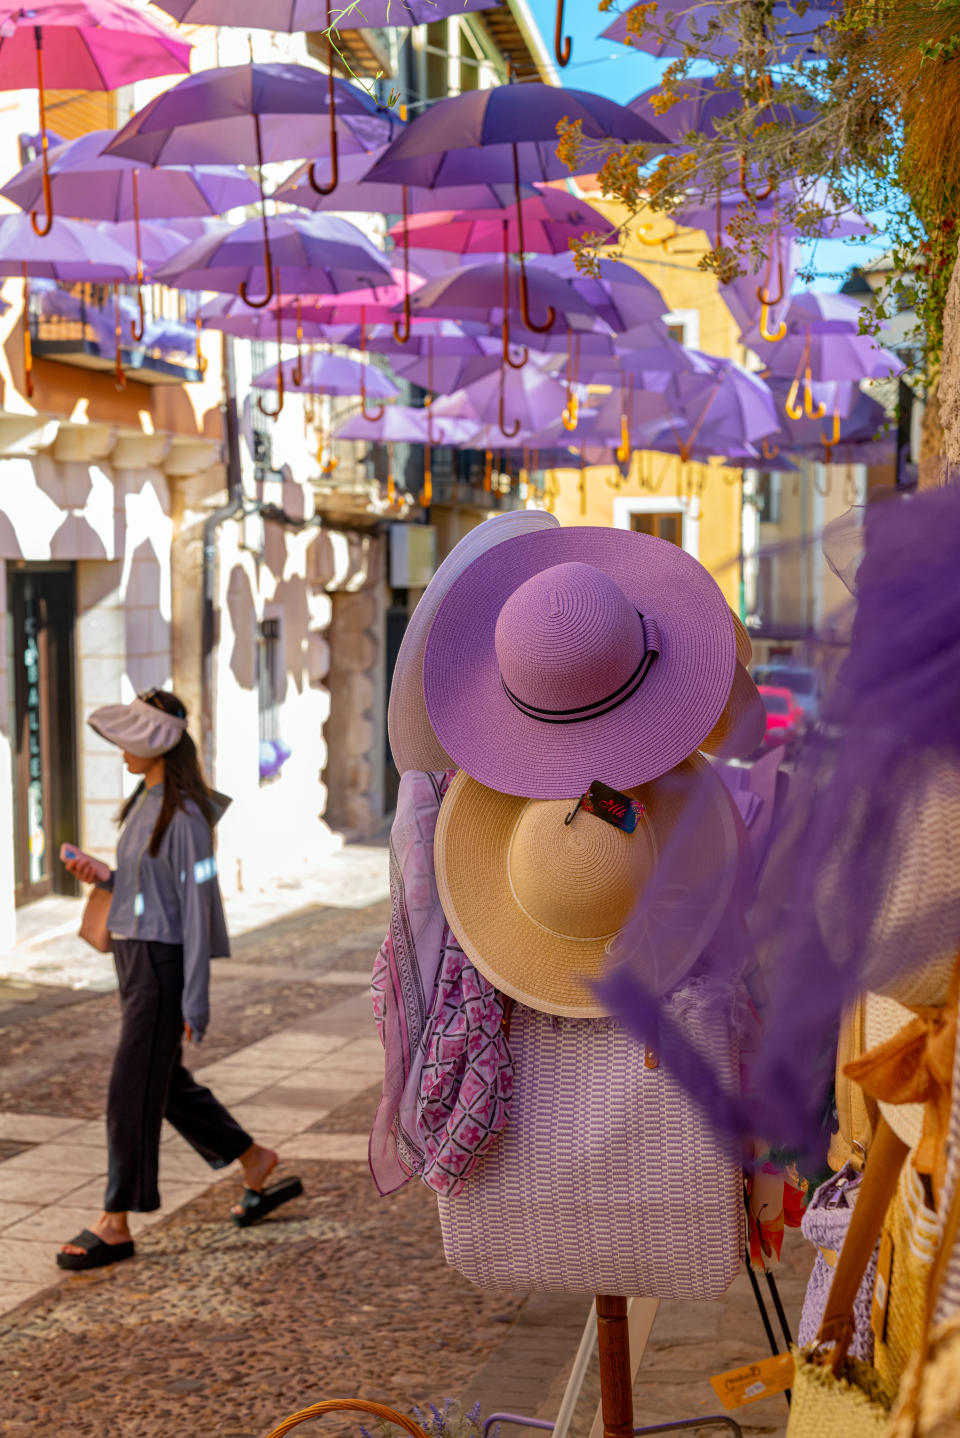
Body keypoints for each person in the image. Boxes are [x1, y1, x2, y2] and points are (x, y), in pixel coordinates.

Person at [57, 688, 302, 1271]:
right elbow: (150, 886)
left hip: (163, 969)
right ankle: (253, 1159)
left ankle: (115, 1221)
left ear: (157, 746)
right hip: (134, 959)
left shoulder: (187, 816)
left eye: (130, 742)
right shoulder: (142, 803)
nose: (121, 752)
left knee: (129, 1090)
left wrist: (196, 998)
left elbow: (197, 907)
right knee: (162, 1085)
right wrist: (105, 874)